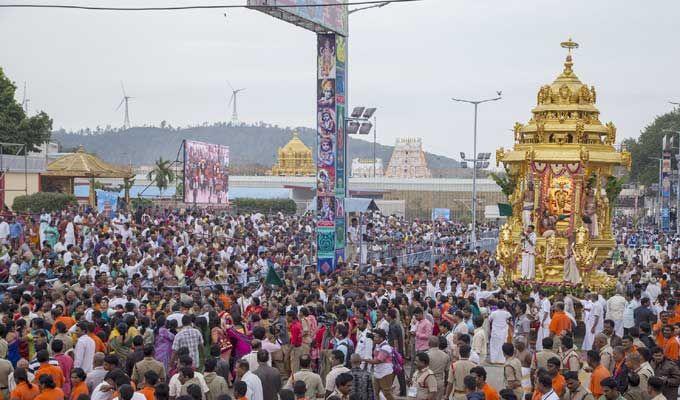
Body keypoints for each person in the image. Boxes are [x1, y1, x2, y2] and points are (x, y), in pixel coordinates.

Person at [362, 329, 394, 400]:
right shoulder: (378, 345)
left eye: (376, 337)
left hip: (385, 373)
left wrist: (363, 360)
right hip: (378, 372)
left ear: (381, 338)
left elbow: (377, 361)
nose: (374, 338)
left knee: (387, 393)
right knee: (375, 393)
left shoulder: (386, 347)